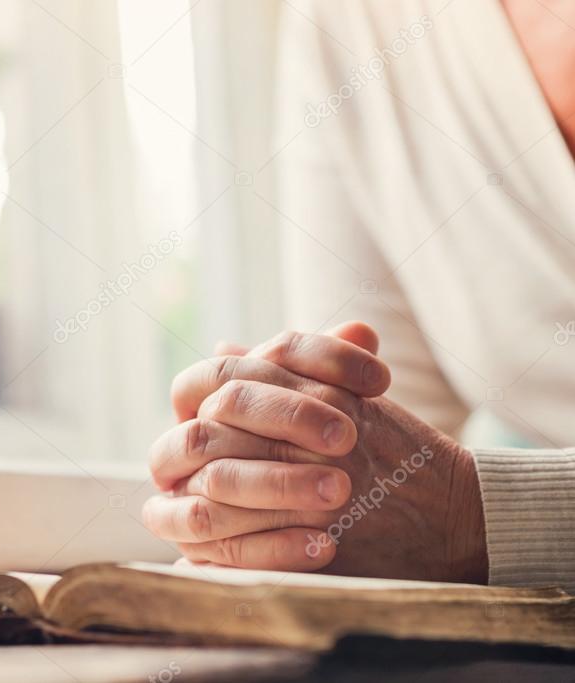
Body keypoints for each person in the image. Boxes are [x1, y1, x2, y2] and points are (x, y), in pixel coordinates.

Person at [142, 0, 575, 591]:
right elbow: (380, 450)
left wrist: (476, 517)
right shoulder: (347, 24)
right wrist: (272, 489)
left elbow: (435, 515)